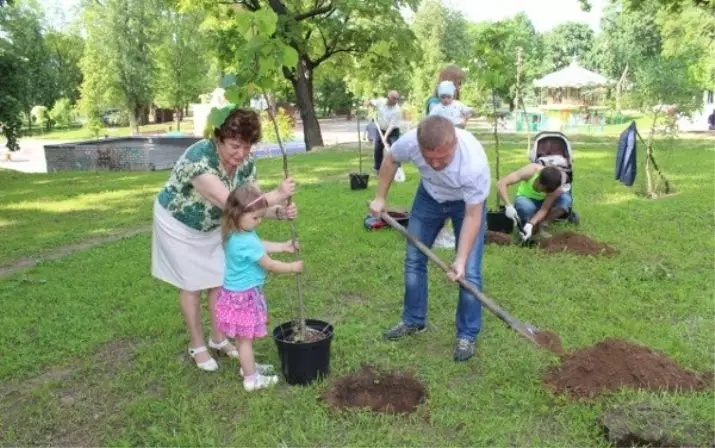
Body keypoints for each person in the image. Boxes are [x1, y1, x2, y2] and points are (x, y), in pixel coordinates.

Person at [151, 106, 298, 372]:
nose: (241, 154)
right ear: (218, 138)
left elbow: (252, 208)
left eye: (247, 147)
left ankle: (218, 338)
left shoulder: (246, 163)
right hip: (179, 224)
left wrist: (279, 211)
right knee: (192, 284)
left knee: (220, 280)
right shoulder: (198, 158)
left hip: (215, 226)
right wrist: (277, 193)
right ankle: (197, 344)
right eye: (234, 146)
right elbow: (233, 203)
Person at [369, 115, 490, 362]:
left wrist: (460, 259)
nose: (434, 164)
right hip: (429, 197)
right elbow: (391, 159)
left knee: (469, 270)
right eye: (428, 158)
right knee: (414, 258)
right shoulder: (410, 141)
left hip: (464, 204)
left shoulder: (473, 164)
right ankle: (413, 320)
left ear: (454, 144)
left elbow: (473, 216)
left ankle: (466, 334)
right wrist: (380, 197)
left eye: (442, 158)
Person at [216, 183, 304, 391]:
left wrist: (282, 246)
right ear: (238, 213)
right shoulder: (244, 241)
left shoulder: (236, 232)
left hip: (234, 294)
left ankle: (248, 367)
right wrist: (292, 267)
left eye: (260, 217)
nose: (259, 222)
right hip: (243, 297)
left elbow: (259, 244)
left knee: (242, 338)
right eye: (255, 218)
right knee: (245, 340)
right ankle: (251, 379)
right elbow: (270, 265)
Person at [497, 163, 568, 241]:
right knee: (526, 208)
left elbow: (543, 209)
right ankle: (528, 221)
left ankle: (542, 224)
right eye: (543, 189)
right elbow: (502, 183)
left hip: (543, 204)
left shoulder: (555, 187)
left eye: (547, 191)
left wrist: (531, 224)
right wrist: (508, 205)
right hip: (526, 199)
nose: (543, 192)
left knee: (565, 200)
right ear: (539, 181)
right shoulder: (531, 171)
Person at [373, 90, 402, 173]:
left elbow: (391, 125)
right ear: (389, 98)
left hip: (393, 131)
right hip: (380, 129)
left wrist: (385, 137)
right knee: (378, 148)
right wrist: (369, 104)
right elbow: (372, 102)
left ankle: (397, 169)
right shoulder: (381, 102)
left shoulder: (397, 110)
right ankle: (378, 168)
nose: (396, 101)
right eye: (394, 99)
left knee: (395, 148)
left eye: (397, 99)